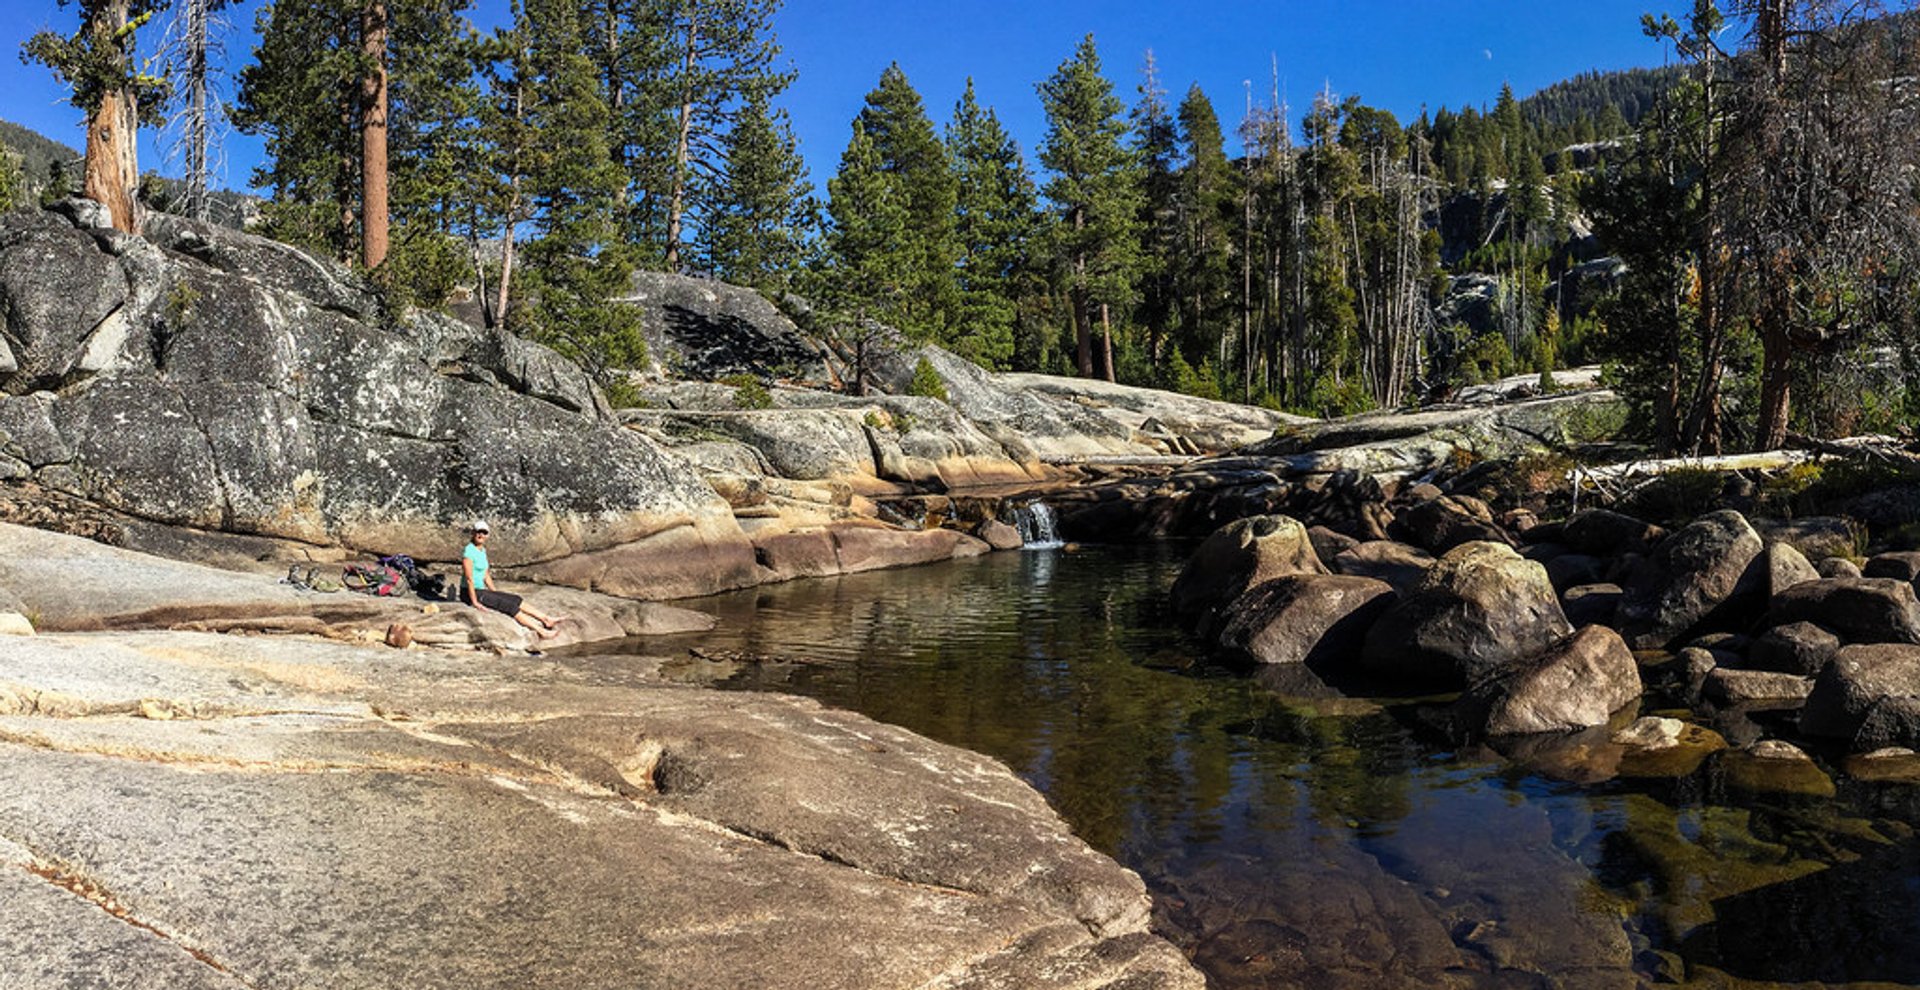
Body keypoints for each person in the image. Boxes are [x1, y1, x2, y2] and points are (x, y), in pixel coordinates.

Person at [461, 519, 562, 637]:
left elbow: (486, 574)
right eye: (478, 532)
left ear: (487, 535)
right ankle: (542, 632)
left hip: (481, 591)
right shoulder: (469, 551)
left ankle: (546, 619)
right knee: (508, 606)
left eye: (484, 532)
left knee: (515, 599)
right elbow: (469, 578)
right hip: (469, 593)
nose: (481, 535)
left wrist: (495, 593)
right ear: (473, 533)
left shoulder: (482, 551)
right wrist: (474, 602)